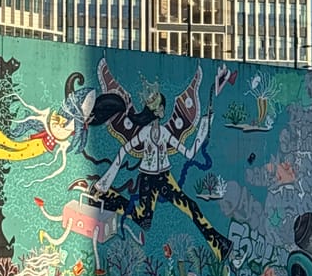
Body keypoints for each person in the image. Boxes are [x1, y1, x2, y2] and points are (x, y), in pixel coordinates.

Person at [75, 60, 232, 261]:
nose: (163, 110)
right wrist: (105, 182)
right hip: (147, 179)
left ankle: (219, 245)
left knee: (191, 206)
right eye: (161, 106)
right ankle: (108, 197)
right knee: (144, 221)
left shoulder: (165, 133)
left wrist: (204, 126)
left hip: (165, 178)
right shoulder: (145, 133)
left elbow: (189, 153)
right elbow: (123, 151)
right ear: (158, 111)